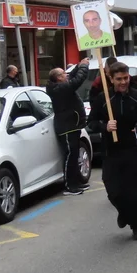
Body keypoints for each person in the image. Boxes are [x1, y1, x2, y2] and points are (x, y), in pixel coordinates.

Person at [88, 61, 137, 240]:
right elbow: (91, 123)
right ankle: (123, 212)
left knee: (132, 193)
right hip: (111, 152)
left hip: (133, 150)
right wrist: (104, 126)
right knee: (113, 191)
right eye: (119, 79)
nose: (123, 82)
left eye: (126, 78)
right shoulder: (103, 99)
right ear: (111, 79)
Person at [46, 59, 91, 195]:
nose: (66, 75)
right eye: (63, 74)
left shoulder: (61, 85)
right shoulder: (59, 89)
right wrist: (83, 67)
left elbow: (72, 76)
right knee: (70, 155)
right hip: (67, 127)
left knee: (75, 154)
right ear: (58, 78)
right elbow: (76, 81)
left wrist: (78, 65)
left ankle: (76, 182)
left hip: (73, 125)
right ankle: (70, 186)